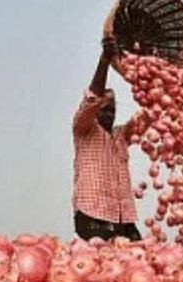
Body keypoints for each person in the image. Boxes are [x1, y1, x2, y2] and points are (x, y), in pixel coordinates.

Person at [72, 38, 149, 242]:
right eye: (104, 109)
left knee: (138, 264)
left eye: (113, 110)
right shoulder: (84, 129)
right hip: (92, 216)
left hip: (124, 219)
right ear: (96, 111)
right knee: (101, 266)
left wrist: (159, 88)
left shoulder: (121, 135)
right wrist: (104, 61)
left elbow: (147, 117)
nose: (109, 114)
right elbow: (92, 98)